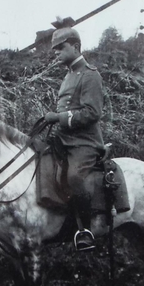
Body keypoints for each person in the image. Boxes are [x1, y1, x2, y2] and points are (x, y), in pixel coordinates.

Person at [44, 27, 105, 251]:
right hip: (64, 139)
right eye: (55, 49)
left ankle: (85, 230)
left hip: (84, 143)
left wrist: (59, 117)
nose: (56, 53)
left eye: (61, 47)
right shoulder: (69, 75)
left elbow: (92, 113)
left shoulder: (90, 74)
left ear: (76, 47)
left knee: (75, 177)